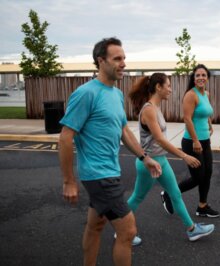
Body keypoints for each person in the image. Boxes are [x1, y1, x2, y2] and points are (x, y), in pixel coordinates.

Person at [58, 37, 161, 266]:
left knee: (96, 225)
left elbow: (123, 130)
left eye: (124, 58)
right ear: (101, 61)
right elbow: (65, 137)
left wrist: (145, 158)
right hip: (98, 175)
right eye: (117, 58)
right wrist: (68, 181)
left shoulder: (115, 94)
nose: (123, 63)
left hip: (110, 171)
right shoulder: (86, 93)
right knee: (128, 231)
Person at [126, 73, 215, 241]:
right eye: (168, 86)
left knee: (175, 194)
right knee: (137, 197)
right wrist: (184, 156)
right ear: (158, 87)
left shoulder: (156, 108)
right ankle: (122, 229)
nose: (170, 89)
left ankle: (192, 229)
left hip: (161, 161)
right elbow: (160, 139)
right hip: (149, 163)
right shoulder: (149, 110)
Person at [161, 64, 219, 218]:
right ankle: (169, 194)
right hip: (192, 142)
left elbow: (205, 112)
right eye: (197, 75)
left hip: (205, 140)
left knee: (208, 174)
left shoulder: (206, 94)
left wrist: (209, 124)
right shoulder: (190, 95)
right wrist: (195, 140)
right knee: (198, 177)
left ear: (207, 77)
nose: (200, 77)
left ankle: (202, 206)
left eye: (203, 75)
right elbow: (187, 118)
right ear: (194, 78)